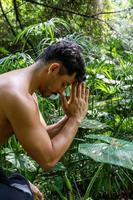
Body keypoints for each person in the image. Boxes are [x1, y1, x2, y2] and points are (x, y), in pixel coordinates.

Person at [0, 40, 89, 200]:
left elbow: (43, 136)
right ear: (53, 68)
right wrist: (75, 120)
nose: (60, 91)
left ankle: (17, 184)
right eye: (63, 84)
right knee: (22, 198)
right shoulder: (17, 95)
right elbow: (48, 159)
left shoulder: (26, 91)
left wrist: (68, 118)